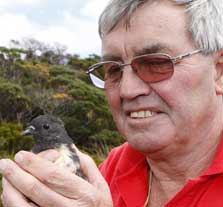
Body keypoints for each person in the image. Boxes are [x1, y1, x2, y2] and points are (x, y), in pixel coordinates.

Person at [1, 0, 223, 206]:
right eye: (113, 70)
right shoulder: (108, 172)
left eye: (156, 63)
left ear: (218, 71)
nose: (127, 90)